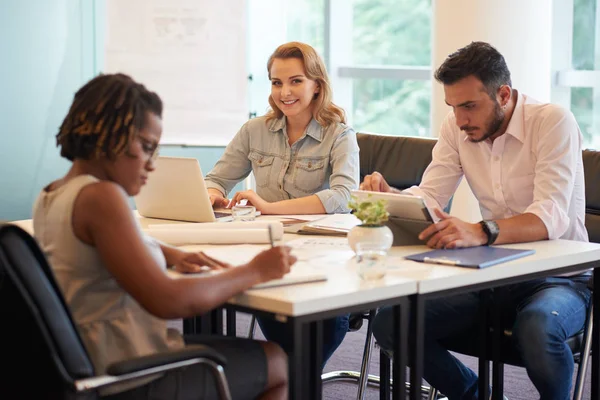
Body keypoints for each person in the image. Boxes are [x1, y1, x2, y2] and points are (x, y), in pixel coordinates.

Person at [32, 73, 296, 400]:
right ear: (109, 134)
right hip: (125, 375)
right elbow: (170, 301)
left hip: (83, 362)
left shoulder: (55, 193)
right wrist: (256, 270)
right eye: (146, 148)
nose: (150, 165)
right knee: (277, 362)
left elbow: (94, 253)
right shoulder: (102, 197)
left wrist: (168, 252)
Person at [362, 42, 590, 400]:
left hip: (562, 278)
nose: (460, 119)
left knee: (537, 327)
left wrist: (481, 231)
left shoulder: (552, 121)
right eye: (453, 107)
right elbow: (430, 194)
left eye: (469, 106)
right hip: (495, 272)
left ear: (503, 94)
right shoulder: (458, 129)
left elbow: (552, 216)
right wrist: (389, 196)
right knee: (392, 322)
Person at [205, 41, 359, 366]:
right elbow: (216, 179)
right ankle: (290, 378)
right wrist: (211, 195)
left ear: (317, 85)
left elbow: (343, 197)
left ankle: (290, 378)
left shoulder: (340, 135)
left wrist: (266, 206)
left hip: (323, 257)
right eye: (277, 82)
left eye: (296, 81)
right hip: (270, 251)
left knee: (313, 340)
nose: (284, 92)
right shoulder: (254, 131)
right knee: (285, 346)